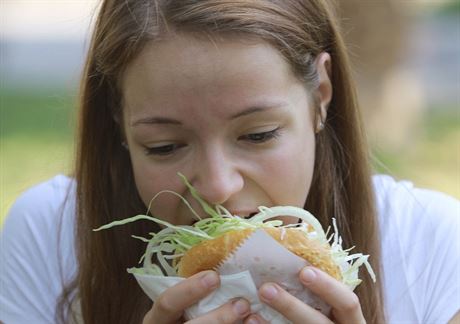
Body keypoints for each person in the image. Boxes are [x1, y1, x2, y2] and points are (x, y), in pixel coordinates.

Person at [1, 0, 459, 323]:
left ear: (320, 96)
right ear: (119, 128)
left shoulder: (430, 245)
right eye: (164, 146)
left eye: (258, 135)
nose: (218, 187)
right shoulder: (51, 234)